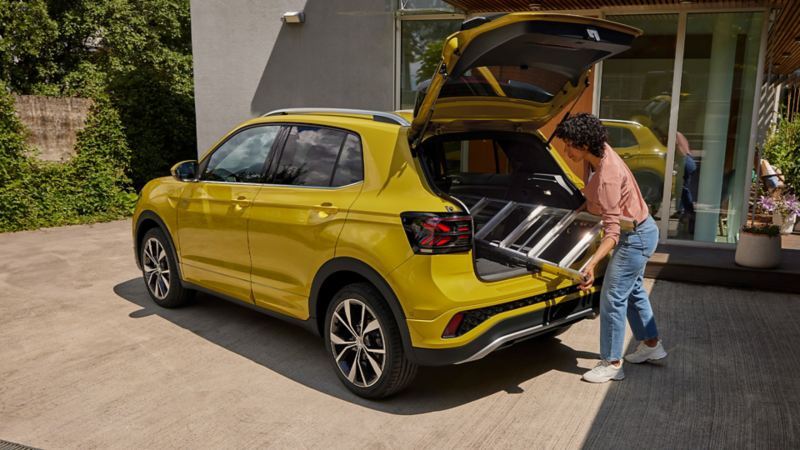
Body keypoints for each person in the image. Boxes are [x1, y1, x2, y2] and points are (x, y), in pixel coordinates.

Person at [553, 113, 667, 383]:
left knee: (613, 296)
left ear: (583, 143)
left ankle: (612, 363)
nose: (566, 151)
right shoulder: (597, 154)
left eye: (569, 145)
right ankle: (652, 346)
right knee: (633, 291)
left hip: (635, 237)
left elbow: (613, 232)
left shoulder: (608, 175)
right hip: (639, 230)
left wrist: (590, 264)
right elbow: (595, 199)